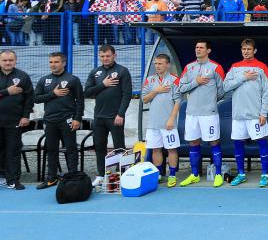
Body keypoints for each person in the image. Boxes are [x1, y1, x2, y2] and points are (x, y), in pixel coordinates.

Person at [223, 39, 268, 188]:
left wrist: (263, 112)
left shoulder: (261, 67)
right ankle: (241, 174)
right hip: (238, 115)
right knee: (238, 144)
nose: (246, 51)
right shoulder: (235, 67)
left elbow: (267, 92)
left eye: (249, 49)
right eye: (243, 49)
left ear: (254, 50)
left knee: (262, 143)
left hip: (256, 115)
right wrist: (243, 77)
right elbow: (226, 87)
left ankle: (264, 175)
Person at [176, 40, 225, 187]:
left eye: (201, 47)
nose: (198, 49)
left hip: (209, 113)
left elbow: (222, 91)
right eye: (196, 47)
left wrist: (210, 102)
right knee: (193, 142)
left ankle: (218, 174)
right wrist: (196, 82)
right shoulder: (188, 67)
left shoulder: (216, 67)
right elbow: (181, 88)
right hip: (192, 113)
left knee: (214, 141)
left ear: (208, 50)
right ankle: (195, 174)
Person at [83, 44, 133, 187]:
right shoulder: (95, 72)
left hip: (115, 116)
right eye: (102, 56)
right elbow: (87, 92)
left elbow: (127, 94)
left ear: (114, 55)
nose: (105, 58)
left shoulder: (122, 71)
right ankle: (100, 175)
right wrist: (103, 85)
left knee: (119, 147)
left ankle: (122, 174)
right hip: (98, 117)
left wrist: (121, 114)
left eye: (108, 56)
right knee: (99, 146)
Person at [34, 52, 84, 189]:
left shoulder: (72, 79)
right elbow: (36, 98)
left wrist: (77, 118)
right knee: (51, 149)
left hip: (67, 120)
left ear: (63, 63)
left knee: (71, 149)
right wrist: (53, 94)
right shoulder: (44, 80)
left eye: (56, 62)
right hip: (50, 120)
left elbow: (80, 100)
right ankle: (51, 178)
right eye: (51, 62)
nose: (53, 65)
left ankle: (73, 176)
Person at [142, 53, 181, 187]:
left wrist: (171, 119)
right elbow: (145, 99)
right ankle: (158, 174)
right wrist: (156, 91)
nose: (157, 66)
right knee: (156, 149)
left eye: (160, 63)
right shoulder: (150, 80)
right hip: (153, 123)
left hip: (168, 123)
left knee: (172, 149)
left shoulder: (175, 80)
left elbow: (178, 101)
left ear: (167, 65)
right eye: (156, 64)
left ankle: (172, 175)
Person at [0, 50, 34, 190]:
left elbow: (29, 98)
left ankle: (13, 179)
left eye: (11, 60)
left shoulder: (23, 76)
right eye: (4, 60)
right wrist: (7, 92)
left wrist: (26, 116)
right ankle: (1, 177)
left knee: (13, 150)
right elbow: (7, 92)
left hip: (14, 120)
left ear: (16, 60)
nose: (8, 63)